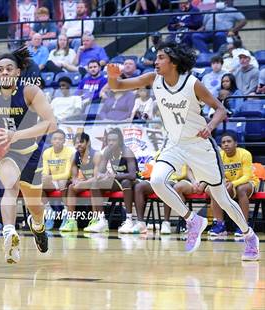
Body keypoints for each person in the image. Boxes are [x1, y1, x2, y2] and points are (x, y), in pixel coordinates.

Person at [107, 40, 260, 260]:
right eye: (156, 57)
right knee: (157, 181)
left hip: (200, 146)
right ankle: (192, 220)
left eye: (161, 57)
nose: (156, 61)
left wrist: (210, 126)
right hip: (174, 144)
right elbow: (118, 86)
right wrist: (113, 76)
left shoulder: (192, 83)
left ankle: (249, 236)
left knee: (222, 198)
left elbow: (220, 109)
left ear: (174, 62)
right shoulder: (153, 79)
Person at [0, 46, 57, 264]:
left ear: (18, 72)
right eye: (0, 69)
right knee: (10, 186)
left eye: (9, 69)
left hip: (30, 152)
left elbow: (51, 124)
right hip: (4, 151)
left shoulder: (30, 91)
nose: (4, 73)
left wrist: (16, 135)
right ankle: (9, 232)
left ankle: (37, 224)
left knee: (35, 205)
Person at [208, 132, 259, 237]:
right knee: (214, 190)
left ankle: (244, 226)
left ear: (236, 143)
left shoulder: (245, 154)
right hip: (228, 184)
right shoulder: (219, 155)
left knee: (241, 189)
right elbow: (217, 174)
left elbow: (247, 176)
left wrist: (233, 183)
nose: (226, 144)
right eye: (223, 142)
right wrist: (224, 181)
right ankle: (220, 225)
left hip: (248, 183)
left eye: (229, 141)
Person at [59, 132, 107, 232]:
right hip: (88, 182)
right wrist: (76, 181)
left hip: (102, 182)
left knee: (93, 184)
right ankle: (71, 221)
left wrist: (82, 183)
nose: (78, 145)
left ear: (88, 142)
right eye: (76, 143)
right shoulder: (75, 156)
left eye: (81, 142)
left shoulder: (96, 155)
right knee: (72, 186)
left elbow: (97, 177)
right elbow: (74, 177)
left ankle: (95, 220)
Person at [97, 128, 138, 233]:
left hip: (133, 181)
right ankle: (101, 221)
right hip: (118, 180)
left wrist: (113, 176)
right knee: (96, 184)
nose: (110, 143)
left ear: (120, 141)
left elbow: (133, 175)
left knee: (126, 182)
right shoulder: (107, 151)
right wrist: (103, 176)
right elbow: (100, 171)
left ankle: (129, 220)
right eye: (109, 140)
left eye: (114, 140)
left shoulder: (127, 151)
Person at [41, 129, 74, 229]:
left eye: (60, 139)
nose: (57, 141)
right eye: (55, 139)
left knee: (62, 181)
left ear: (64, 141)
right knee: (40, 184)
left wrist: (50, 177)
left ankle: (66, 213)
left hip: (67, 181)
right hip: (53, 180)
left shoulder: (70, 152)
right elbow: (45, 172)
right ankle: (49, 212)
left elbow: (68, 174)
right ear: (51, 141)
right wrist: (46, 178)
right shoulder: (47, 152)